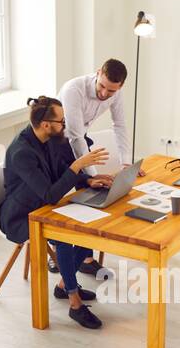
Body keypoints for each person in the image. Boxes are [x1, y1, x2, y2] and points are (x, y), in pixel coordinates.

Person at [0, 96, 112, 330]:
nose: (65, 124)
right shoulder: (22, 152)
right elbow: (50, 193)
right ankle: (74, 303)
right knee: (63, 237)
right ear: (46, 124)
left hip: (46, 207)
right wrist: (78, 165)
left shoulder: (51, 139)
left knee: (87, 230)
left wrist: (89, 179)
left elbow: (62, 170)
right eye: (61, 121)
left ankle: (63, 286)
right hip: (22, 215)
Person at [56, 59, 130, 276]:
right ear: (98, 73)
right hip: (57, 144)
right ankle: (57, 252)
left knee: (90, 199)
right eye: (102, 86)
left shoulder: (115, 93)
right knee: (73, 197)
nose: (105, 94)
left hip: (79, 139)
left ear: (120, 86)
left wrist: (126, 163)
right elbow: (75, 136)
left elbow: (120, 125)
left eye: (112, 90)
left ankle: (85, 257)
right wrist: (92, 177)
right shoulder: (74, 90)